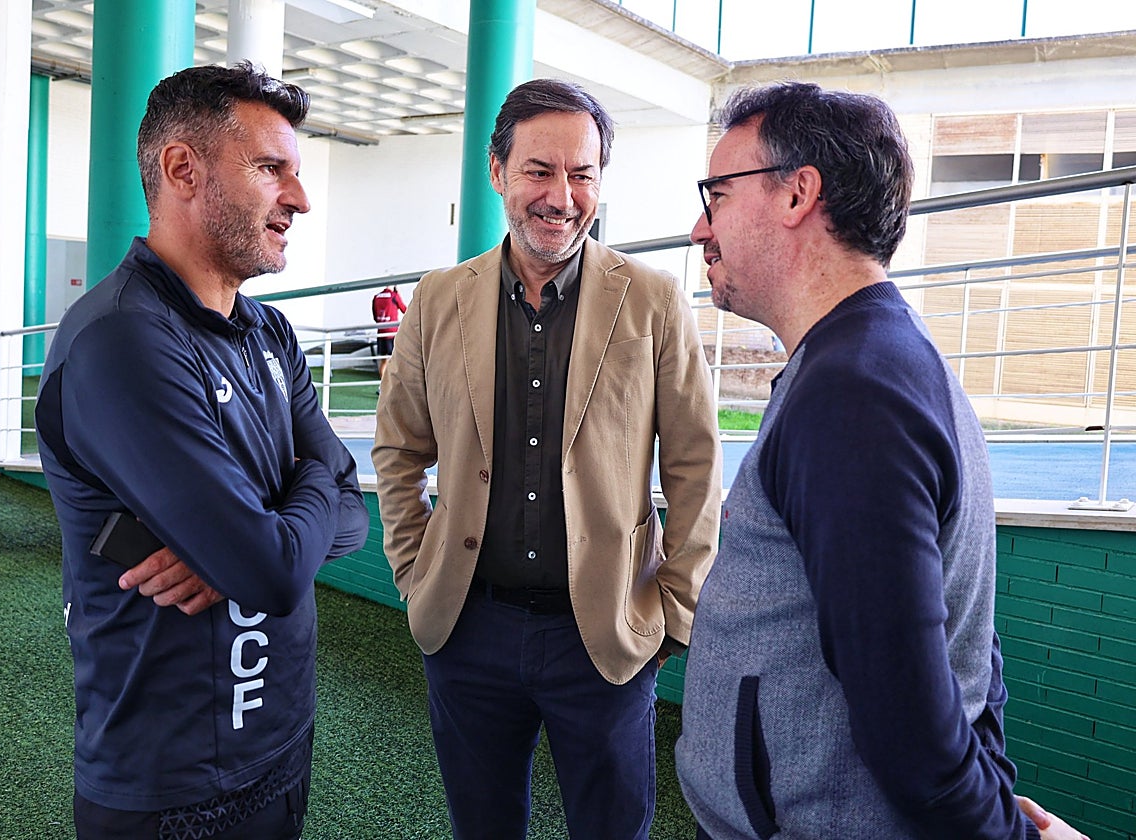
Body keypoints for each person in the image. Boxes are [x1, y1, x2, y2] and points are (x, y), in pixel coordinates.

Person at [675, 82, 1088, 840]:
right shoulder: (867, 360)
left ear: (799, 193)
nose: (701, 226)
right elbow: (964, 639)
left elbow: (909, 720)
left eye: (717, 195)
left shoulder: (853, 393)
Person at [372, 78, 721, 839]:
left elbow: (694, 468)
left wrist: (673, 612)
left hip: (603, 633)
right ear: (497, 171)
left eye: (582, 174)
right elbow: (399, 450)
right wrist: (412, 569)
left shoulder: (656, 301)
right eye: (540, 170)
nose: (562, 195)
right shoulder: (436, 301)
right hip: (469, 628)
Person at [34, 62, 369, 840]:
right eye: (270, 169)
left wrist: (253, 536)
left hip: (280, 741)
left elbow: (351, 513)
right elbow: (274, 568)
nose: (300, 197)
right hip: (168, 781)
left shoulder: (270, 333)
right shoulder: (124, 339)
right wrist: (272, 527)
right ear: (183, 169)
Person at [371, 284, 407, 376]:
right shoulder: (394, 296)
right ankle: (394, 386)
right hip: (392, 333)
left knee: (384, 361)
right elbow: (404, 310)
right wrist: (398, 294)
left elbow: (375, 317)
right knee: (396, 360)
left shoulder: (376, 297)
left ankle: (382, 387)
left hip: (381, 332)